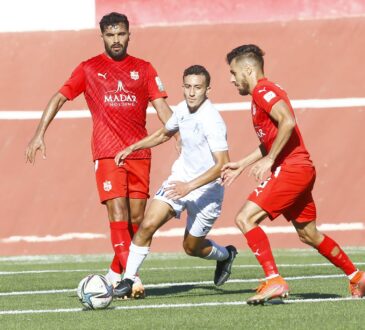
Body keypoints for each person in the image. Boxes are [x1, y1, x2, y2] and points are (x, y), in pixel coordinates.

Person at [25, 12, 173, 298]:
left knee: (138, 220)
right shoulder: (89, 69)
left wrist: (177, 132)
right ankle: (132, 278)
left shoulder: (144, 69)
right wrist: (39, 133)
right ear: (102, 36)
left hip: (139, 153)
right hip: (107, 153)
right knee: (117, 213)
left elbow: (162, 107)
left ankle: (114, 274)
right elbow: (59, 97)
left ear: (129, 35)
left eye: (121, 34)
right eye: (110, 34)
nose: (116, 40)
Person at [221, 44, 365, 305]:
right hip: (299, 169)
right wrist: (242, 164)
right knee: (308, 233)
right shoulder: (263, 94)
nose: (231, 79)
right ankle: (357, 276)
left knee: (245, 218)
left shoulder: (263, 91)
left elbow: (288, 121)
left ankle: (274, 279)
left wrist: (271, 160)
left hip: (291, 168)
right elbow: (274, 137)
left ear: (248, 70)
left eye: (233, 73)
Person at [112, 65, 237, 299]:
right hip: (179, 179)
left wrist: (189, 187)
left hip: (207, 191)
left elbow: (222, 164)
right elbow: (164, 134)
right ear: (182, 87)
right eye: (188, 87)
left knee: (192, 248)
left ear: (208, 89)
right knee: (148, 224)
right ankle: (128, 280)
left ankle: (226, 255)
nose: (191, 93)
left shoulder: (212, 120)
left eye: (197, 88)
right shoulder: (180, 109)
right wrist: (132, 147)